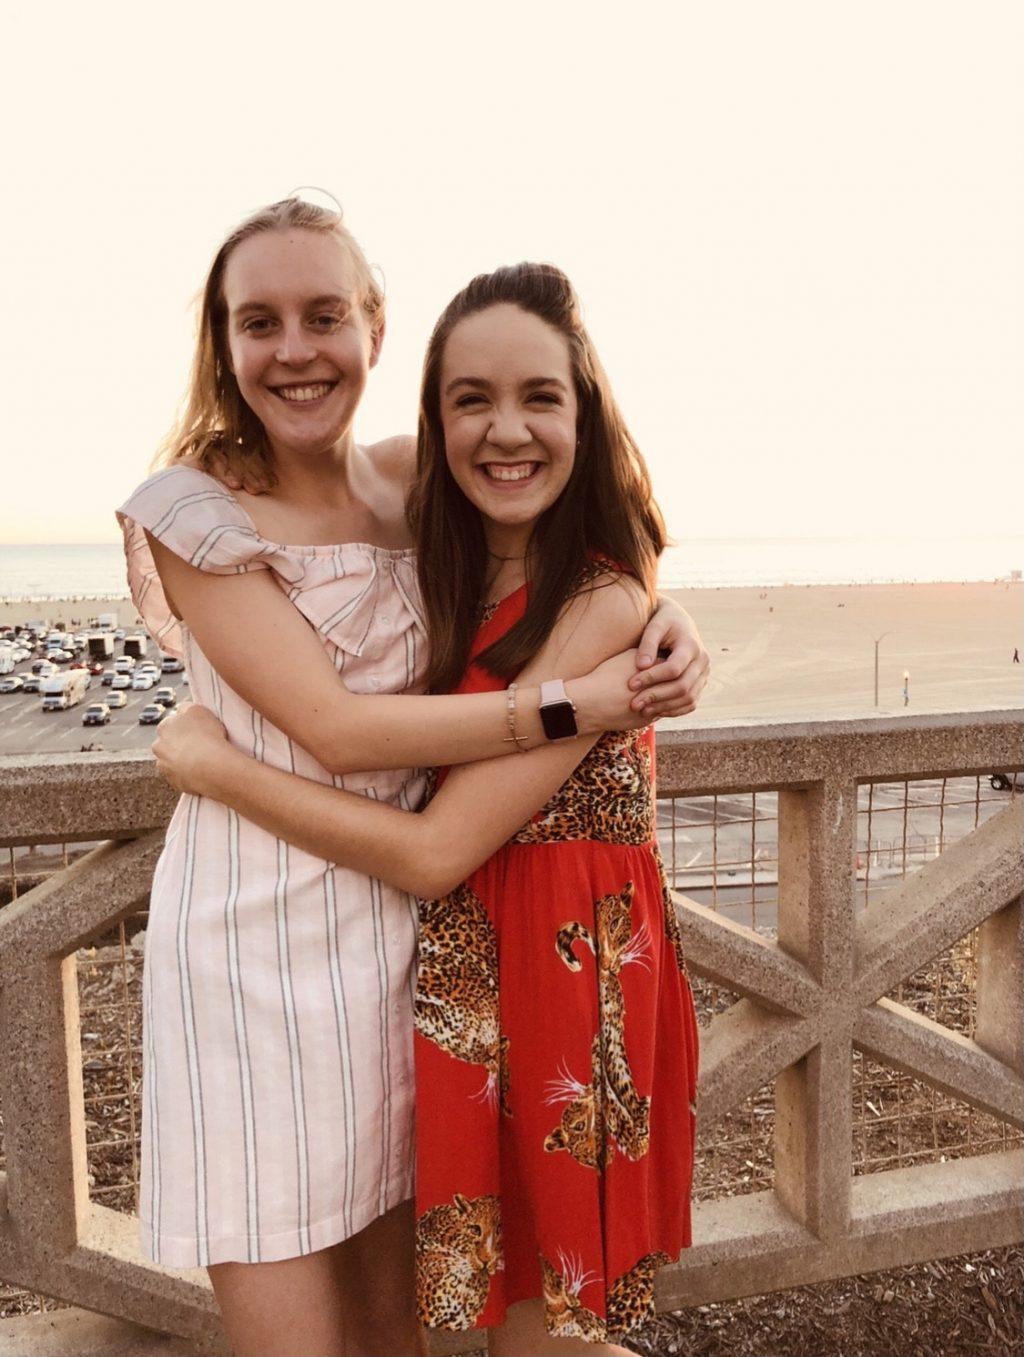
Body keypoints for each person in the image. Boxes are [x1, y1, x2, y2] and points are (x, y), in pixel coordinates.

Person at [117, 199, 708, 1357]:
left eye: (324, 314)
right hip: (264, 953)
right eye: (260, 321)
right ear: (222, 343)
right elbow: (342, 726)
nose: (295, 348)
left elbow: (574, 553)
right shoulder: (206, 509)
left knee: (440, 1322)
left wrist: (652, 617)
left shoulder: (409, 491)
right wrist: (597, 670)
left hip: (425, 948)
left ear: (374, 330)